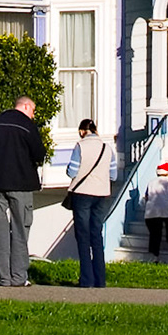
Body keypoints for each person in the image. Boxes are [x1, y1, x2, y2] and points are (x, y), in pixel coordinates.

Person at [0, 95, 46, 286]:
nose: (33, 115)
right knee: (20, 229)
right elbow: (39, 153)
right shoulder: (27, 126)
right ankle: (19, 277)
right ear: (26, 106)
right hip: (21, 183)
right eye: (33, 110)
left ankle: (3, 277)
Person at [64, 118, 111, 288]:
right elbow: (112, 175)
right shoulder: (107, 148)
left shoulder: (80, 146)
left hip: (82, 194)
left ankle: (86, 279)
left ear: (83, 131)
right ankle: (100, 279)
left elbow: (72, 171)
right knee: (96, 235)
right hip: (101, 194)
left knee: (83, 237)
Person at [141, 162, 168, 261]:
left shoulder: (151, 182)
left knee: (155, 235)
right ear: (167, 172)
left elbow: (147, 197)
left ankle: (154, 256)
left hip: (151, 212)